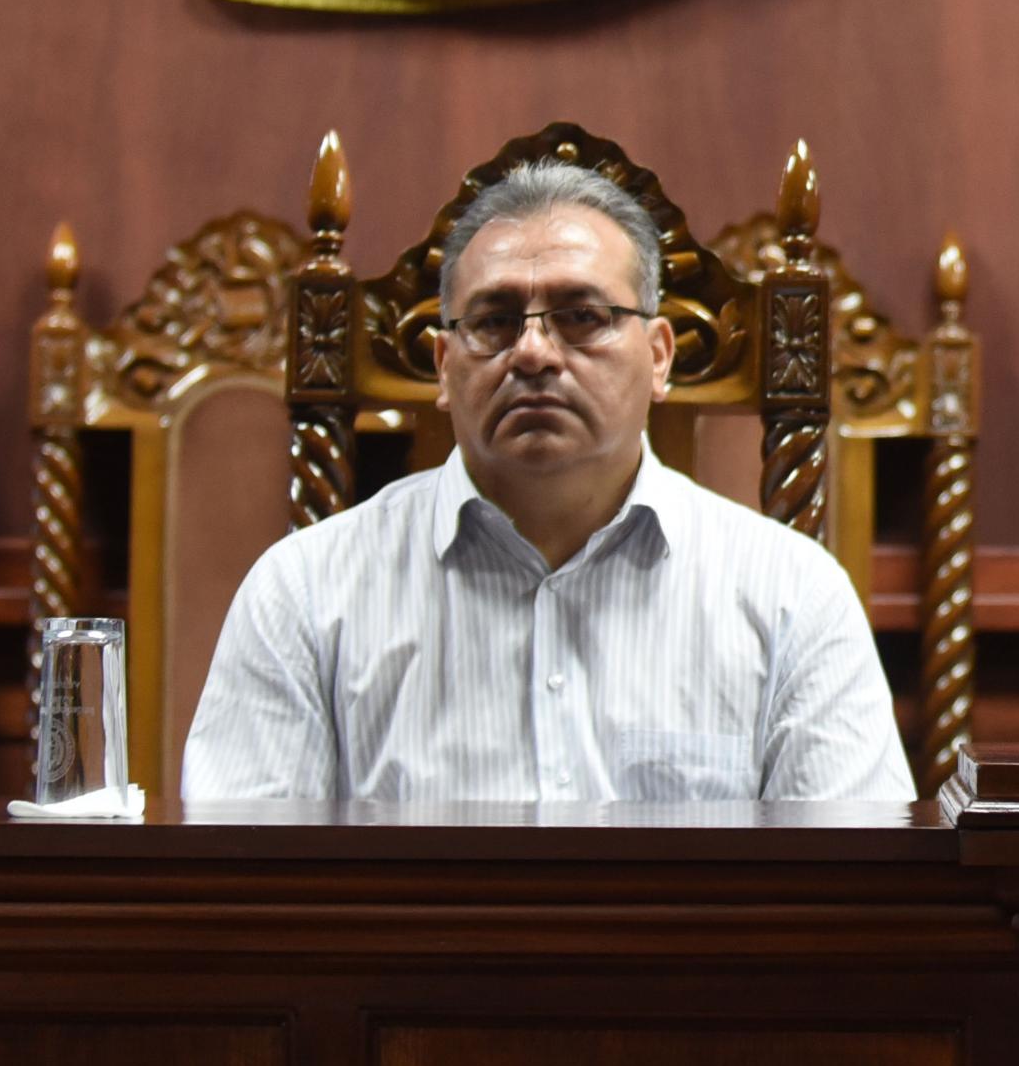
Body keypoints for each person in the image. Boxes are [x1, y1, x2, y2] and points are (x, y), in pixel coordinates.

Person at [185, 160, 913, 804]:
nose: (533, 351)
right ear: (443, 366)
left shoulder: (791, 597)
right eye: (495, 320)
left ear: (659, 356)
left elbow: (853, 903)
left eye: (583, 316)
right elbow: (248, 898)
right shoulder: (307, 593)